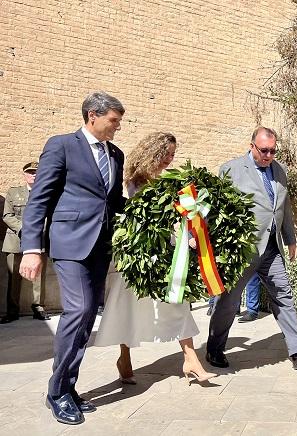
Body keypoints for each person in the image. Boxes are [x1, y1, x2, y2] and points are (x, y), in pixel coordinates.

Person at [19, 91, 126, 425]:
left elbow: (111, 202)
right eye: (114, 120)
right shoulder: (62, 145)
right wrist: (32, 248)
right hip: (69, 244)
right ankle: (57, 392)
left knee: (86, 315)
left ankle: (68, 385)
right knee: (78, 310)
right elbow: (40, 199)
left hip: (99, 247)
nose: (117, 127)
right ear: (93, 115)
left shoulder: (115, 154)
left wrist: (155, 206)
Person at [94, 132, 216, 386]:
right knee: (128, 307)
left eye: (172, 155)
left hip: (166, 252)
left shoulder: (172, 182)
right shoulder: (132, 183)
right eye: (165, 154)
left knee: (176, 301)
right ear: (151, 152)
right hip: (136, 255)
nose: (169, 160)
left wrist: (190, 234)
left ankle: (190, 359)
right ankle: (124, 356)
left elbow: (180, 217)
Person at [206, 126, 297, 370]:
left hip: (272, 249)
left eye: (273, 151)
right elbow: (217, 209)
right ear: (252, 146)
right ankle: (214, 349)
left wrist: (290, 238)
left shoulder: (279, 170)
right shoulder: (231, 169)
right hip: (243, 250)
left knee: (283, 295)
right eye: (264, 150)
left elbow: (284, 207)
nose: (269, 155)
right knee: (229, 302)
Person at [1, 161, 50, 324]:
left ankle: (38, 308)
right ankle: (12, 311)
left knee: (38, 276)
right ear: (24, 175)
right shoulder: (14, 193)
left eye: (36, 172)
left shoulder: (46, 192)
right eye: (30, 172)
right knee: (13, 276)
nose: (34, 175)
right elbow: (7, 215)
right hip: (16, 238)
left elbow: (49, 216)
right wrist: (25, 229)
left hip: (39, 238)